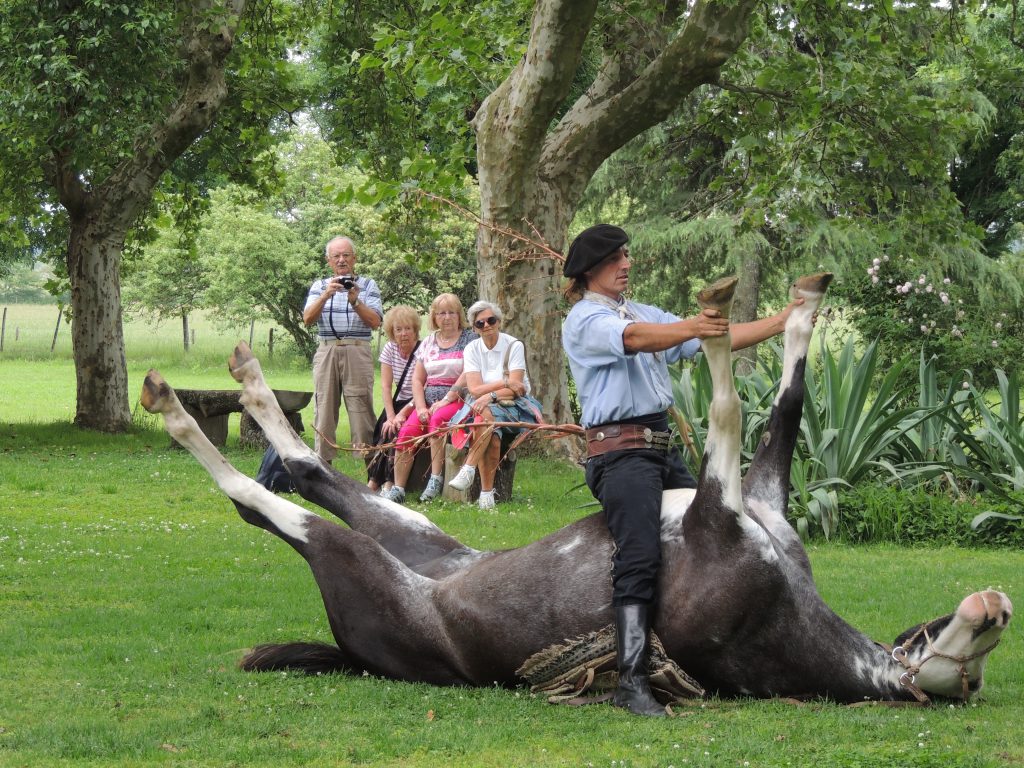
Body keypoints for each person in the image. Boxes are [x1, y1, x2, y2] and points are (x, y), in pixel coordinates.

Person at [561, 223, 805, 717]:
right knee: (640, 555)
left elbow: (714, 338)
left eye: (627, 254)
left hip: (660, 452)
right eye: (616, 257)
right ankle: (630, 682)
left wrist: (785, 322)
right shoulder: (585, 319)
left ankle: (706, 653)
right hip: (621, 456)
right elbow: (634, 340)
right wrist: (695, 325)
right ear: (591, 270)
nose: (626, 263)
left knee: (714, 536)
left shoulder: (641, 311)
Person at [447, 301, 543, 509]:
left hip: (516, 405)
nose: (486, 326)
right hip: (484, 404)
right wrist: (505, 382)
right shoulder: (472, 348)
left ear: (499, 322)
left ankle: (469, 469)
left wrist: (491, 393)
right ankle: (486, 497)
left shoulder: (513, 345)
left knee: (485, 415)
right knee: (493, 436)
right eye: (480, 323)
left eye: (491, 320)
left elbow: (517, 390)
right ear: (474, 328)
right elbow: (474, 389)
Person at [382, 293, 474, 504]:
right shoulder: (429, 342)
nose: (447, 317)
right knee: (406, 432)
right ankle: (398, 488)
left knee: (437, 419)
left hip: (458, 400)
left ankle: (435, 479)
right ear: (434, 317)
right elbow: (417, 380)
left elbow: (469, 372)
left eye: (451, 312)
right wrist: (421, 407)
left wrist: (447, 399)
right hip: (428, 399)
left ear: (459, 315)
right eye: (441, 313)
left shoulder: (469, 339)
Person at [303, 236, 383, 464]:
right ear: (328, 261)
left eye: (346, 255)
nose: (341, 260)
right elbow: (307, 319)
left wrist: (356, 301)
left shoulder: (367, 285)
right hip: (326, 350)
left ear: (354, 258)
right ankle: (323, 469)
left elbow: (375, 322)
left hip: (357, 350)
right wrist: (326, 294)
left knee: (361, 410)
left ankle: (371, 473)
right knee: (324, 409)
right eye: (336, 256)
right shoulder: (319, 286)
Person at [367, 305, 422, 493]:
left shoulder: (423, 350)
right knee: (384, 431)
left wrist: (401, 415)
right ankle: (375, 481)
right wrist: (390, 415)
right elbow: (385, 386)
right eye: (398, 329)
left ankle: (389, 483)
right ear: (392, 332)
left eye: (407, 328)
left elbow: (422, 386)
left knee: (398, 433)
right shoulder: (390, 348)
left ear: (415, 330)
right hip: (396, 401)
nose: (403, 334)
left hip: (416, 402)